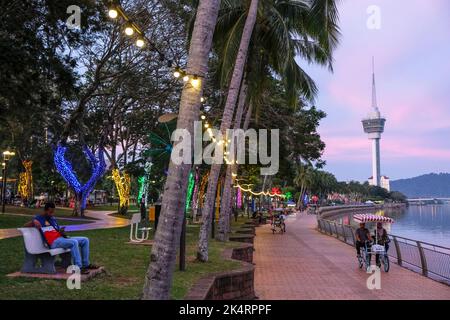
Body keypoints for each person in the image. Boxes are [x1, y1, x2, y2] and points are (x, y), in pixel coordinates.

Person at [24, 202, 98, 274]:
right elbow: (25, 226)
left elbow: (57, 230)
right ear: (45, 210)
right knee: (74, 242)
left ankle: (86, 264)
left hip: (61, 238)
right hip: (53, 242)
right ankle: (78, 267)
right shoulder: (38, 218)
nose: (52, 214)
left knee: (85, 240)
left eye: (53, 212)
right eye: (50, 212)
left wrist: (61, 231)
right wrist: (33, 222)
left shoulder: (52, 219)